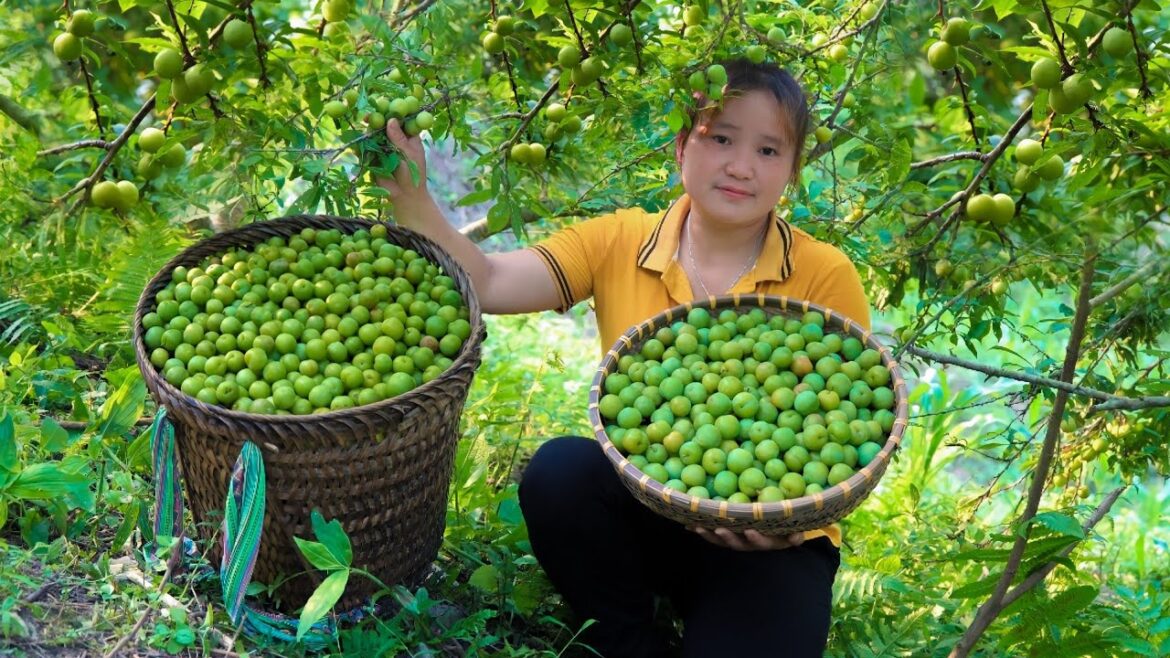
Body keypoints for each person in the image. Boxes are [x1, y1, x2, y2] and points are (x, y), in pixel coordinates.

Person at [376, 58, 870, 658]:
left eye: (770, 151)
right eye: (721, 138)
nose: (742, 166)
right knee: (561, 474)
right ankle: (632, 640)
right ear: (682, 144)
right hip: (648, 511)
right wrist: (412, 195)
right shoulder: (620, 240)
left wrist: (785, 525)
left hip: (772, 544)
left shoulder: (823, 274)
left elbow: (852, 425)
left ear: (792, 170)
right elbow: (490, 279)